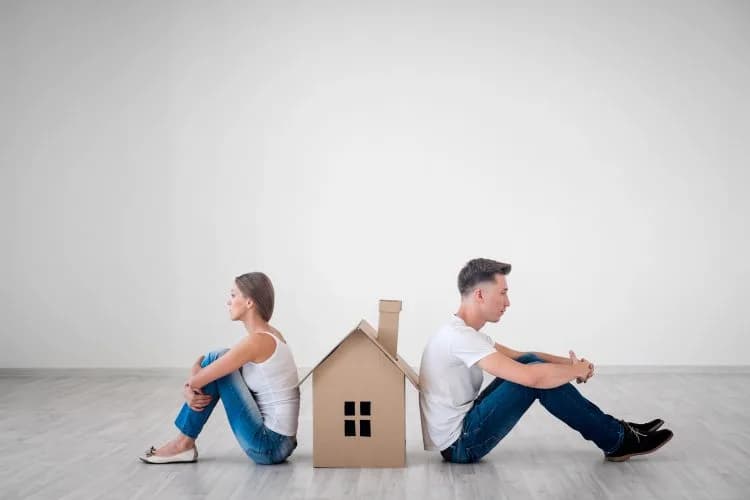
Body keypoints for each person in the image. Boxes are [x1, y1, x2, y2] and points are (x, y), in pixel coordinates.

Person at [419, 258, 673, 464]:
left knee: (530, 362)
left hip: (462, 429)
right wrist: (574, 372)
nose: (508, 302)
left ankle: (618, 432)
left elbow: (523, 357)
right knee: (531, 379)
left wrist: (571, 365)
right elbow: (532, 377)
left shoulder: (461, 333)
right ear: (480, 295)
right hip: (460, 444)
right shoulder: (461, 338)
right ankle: (618, 439)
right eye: (503, 293)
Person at [139, 272, 300, 465]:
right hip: (284, 443)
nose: (228, 302)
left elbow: (198, 381)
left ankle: (183, 444)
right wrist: (196, 377)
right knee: (219, 360)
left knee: (217, 357)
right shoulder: (270, 335)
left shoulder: (257, 341)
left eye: (233, 295)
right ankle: (184, 444)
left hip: (269, 446)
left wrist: (192, 378)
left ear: (249, 302)